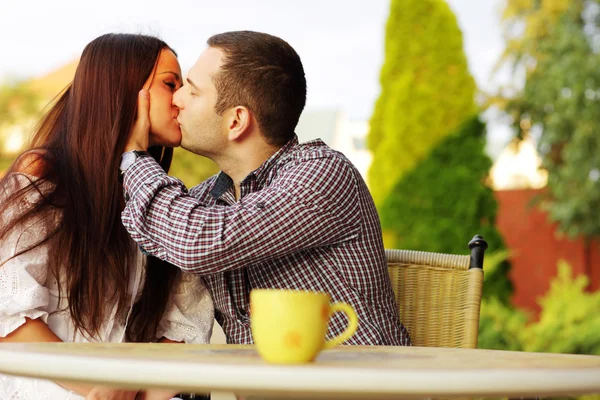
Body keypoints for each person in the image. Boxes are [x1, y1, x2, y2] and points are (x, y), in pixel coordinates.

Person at [121, 31, 411, 347]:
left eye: (192, 92)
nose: (176, 100)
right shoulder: (206, 201)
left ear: (236, 122)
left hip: (365, 387)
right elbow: (151, 240)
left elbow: (198, 242)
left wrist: (134, 157)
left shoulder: (322, 175)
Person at [0, 33, 214, 400]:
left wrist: (130, 384)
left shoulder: (166, 203)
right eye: (169, 84)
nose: (180, 98)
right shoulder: (45, 176)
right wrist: (100, 386)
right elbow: (13, 321)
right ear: (124, 90)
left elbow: (182, 332)